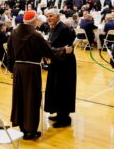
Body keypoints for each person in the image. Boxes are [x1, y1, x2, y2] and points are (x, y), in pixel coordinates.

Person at [7, 10, 72, 140]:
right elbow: (49, 52)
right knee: (32, 99)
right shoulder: (35, 35)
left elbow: (9, 54)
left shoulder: (13, 33)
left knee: (20, 98)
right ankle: (31, 131)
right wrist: (64, 50)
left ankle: (22, 127)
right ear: (34, 21)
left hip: (19, 69)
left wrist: (12, 70)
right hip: (31, 70)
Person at [44, 9, 77, 128]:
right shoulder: (53, 27)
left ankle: (64, 118)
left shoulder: (63, 29)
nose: (48, 18)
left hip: (65, 65)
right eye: (47, 16)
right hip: (57, 62)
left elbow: (67, 48)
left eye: (51, 16)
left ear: (58, 16)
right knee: (56, 89)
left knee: (63, 90)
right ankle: (59, 113)